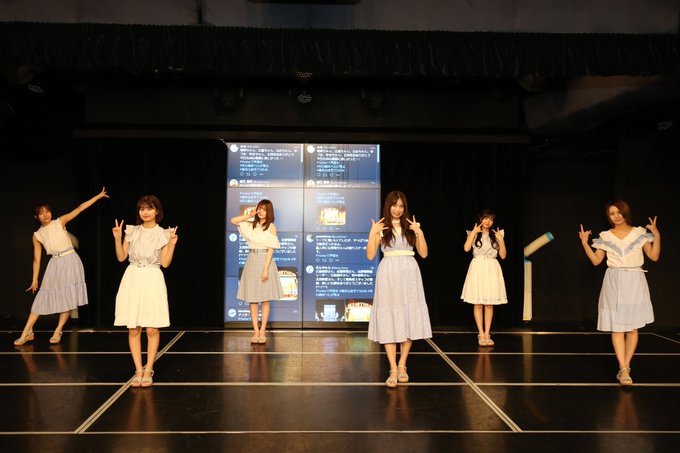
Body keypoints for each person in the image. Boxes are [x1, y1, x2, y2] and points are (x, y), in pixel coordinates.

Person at [14, 187, 109, 346]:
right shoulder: (37, 235)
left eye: (47, 211)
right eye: (41, 213)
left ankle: (58, 330)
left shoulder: (59, 222)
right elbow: (36, 259)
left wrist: (97, 197)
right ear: (36, 217)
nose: (45, 214)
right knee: (41, 297)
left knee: (67, 297)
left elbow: (79, 209)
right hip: (55, 263)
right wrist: (34, 279)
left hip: (71, 260)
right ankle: (27, 332)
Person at [579, 200, 660, 386]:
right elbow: (596, 261)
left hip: (635, 280)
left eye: (618, 212)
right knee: (617, 327)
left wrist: (656, 235)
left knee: (632, 328)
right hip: (614, 280)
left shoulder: (640, 233)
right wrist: (585, 243)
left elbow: (654, 256)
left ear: (625, 212)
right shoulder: (606, 236)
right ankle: (622, 368)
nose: (616, 216)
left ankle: (626, 366)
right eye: (612, 213)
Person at [367, 190, 432, 388]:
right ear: (388, 206)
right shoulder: (381, 227)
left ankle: (403, 364)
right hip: (388, 273)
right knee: (389, 316)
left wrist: (419, 232)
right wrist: (372, 233)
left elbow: (424, 253)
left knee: (408, 316)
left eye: (401, 206)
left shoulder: (411, 227)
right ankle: (393, 368)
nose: (397, 209)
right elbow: (370, 255)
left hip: (409, 273)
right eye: (394, 205)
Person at [113, 195, 178, 388]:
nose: (145, 212)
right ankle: (138, 370)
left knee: (151, 328)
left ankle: (149, 369)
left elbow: (165, 263)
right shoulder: (132, 231)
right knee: (134, 328)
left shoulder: (164, 234)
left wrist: (172, 244)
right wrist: (118, 238)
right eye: (142, 209)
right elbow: (121, 257)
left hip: (152, 277)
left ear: (157, 211)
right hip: (133, 276)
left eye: (149, 208)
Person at [230, 199, 283, 344]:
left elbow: (271, 249)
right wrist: (249, 215)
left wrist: (265, 269)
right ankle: (255, 331)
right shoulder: (250, 225)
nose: (261, 211)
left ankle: (263, 331)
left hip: (265, 261)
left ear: (269, 211)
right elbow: (233, 220)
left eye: (264, 209)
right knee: (252, 299)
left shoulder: (271, 227)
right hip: (252, 260)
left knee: (265, 299)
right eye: (259, 208)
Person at [461, 209, 508, 346]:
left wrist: (501, 240)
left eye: (491, 219)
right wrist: (473, 233)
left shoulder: (497, 235)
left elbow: (503, 256)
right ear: (480, 219)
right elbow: (466, 248)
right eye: (485, 218)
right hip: (478, 267)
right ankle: (480, 333)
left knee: (489, 303)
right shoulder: (474, 233)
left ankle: (487, 333)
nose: (488, 221)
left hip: (492, 267)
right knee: (478, 303)